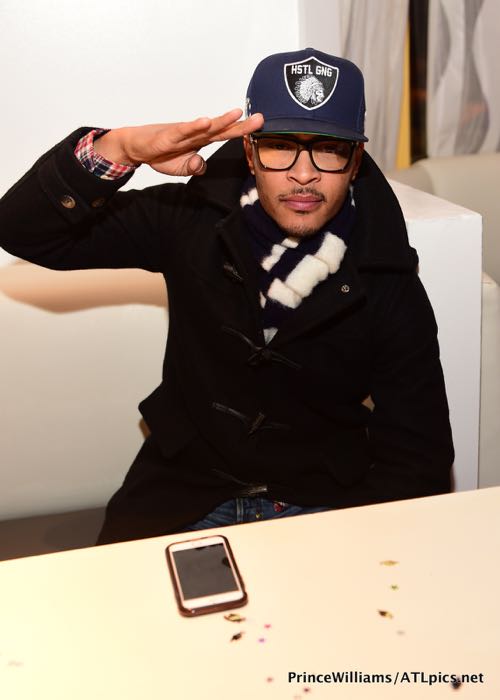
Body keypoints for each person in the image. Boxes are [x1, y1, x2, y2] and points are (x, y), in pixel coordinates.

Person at [0, 48, 454, 544]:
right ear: (251, 153)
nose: (304, 174)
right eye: (280, 146)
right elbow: (25, 231)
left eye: (328, 149)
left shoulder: (386, 273)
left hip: (322, 501)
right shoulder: (189, 218)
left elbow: (418, 457)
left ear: (355, 161)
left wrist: (360, 548)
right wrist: (121, 148)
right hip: (184, 491)